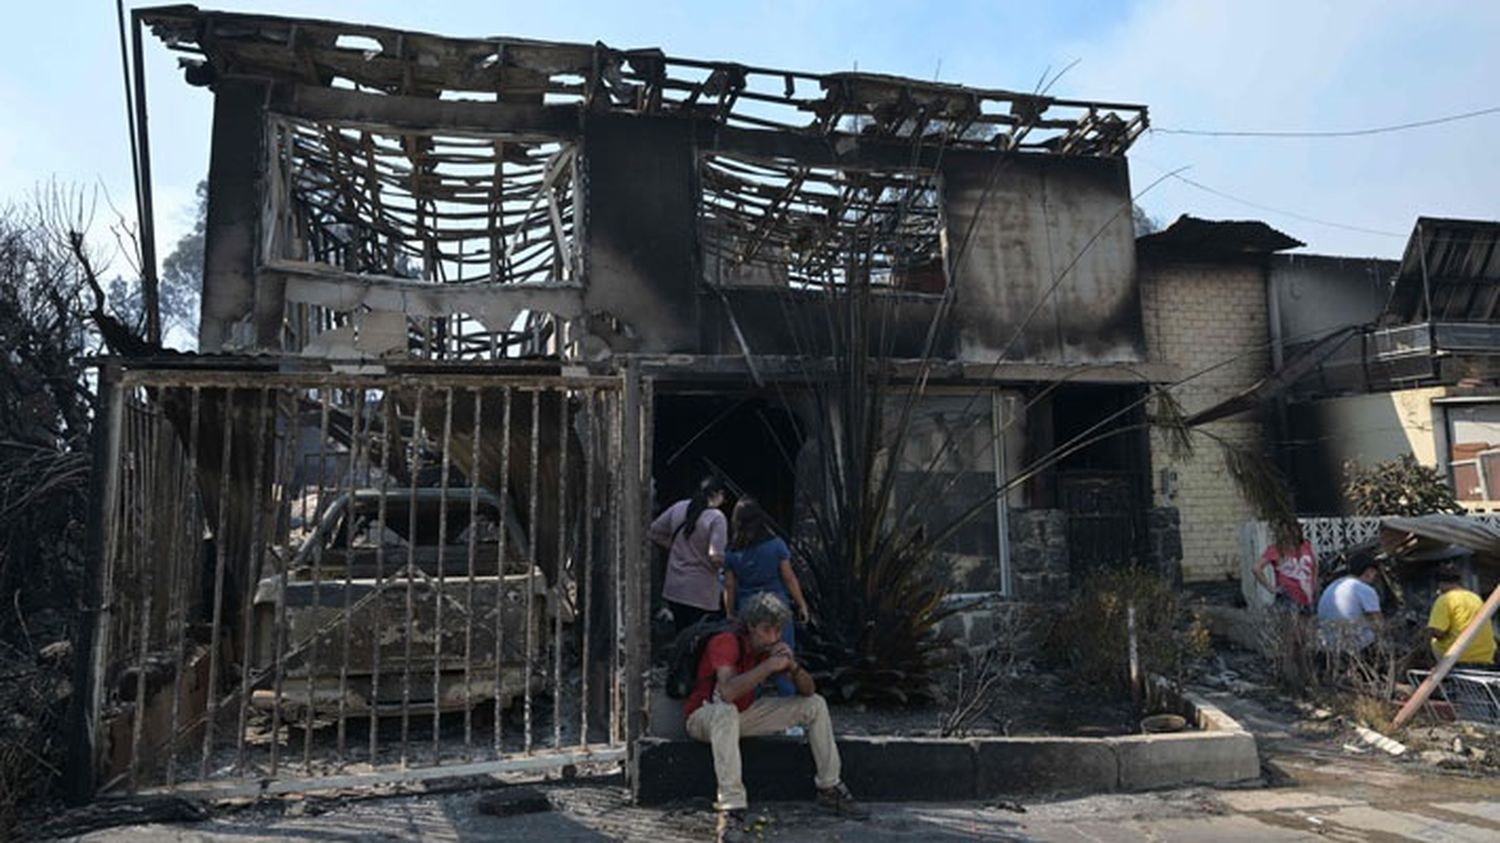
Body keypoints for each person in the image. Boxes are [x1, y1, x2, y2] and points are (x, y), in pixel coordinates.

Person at [683, 592, 865, 825]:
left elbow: (808, 691)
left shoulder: (768, 649)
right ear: (751, 627)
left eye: (778, 631)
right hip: (703, 716)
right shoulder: (725, 642)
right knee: (726, 711)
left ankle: (829, 788)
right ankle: (732, 805)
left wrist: (794, 667)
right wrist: (768, 666)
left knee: (815, 705)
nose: (774, 637)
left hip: (742, 715)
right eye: (767, 630)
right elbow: (727, 692)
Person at [724, 498, 810, 697]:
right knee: (783, 655)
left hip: (748, 610)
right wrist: (801, 604)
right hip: (778, 608)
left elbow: (729, 585)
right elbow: (789, 578)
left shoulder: (732, 551)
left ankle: (752, 705)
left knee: (750, 661)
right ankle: (788, 711)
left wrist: (730, 613)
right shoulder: (776, 545)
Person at [649, 476, 730, 634]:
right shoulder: (717, 517)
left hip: (675, 588)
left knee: (681, 636)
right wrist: (729, 567)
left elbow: (653, 532)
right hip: (701, 593)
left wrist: (674, 547)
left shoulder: (679, 507)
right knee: (700, 639)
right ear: (718, 494)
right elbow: (715, 556)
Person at [1427, 563, 1497, 668]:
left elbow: (1438, 632)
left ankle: (1442, 672)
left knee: (1433, 642)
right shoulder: (1475, 597)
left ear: (1440, 584)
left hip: (1458, 657)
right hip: (1486, 657)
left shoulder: (1445, 599)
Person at [1316, 555, 1383, 651]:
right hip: (1354, 648)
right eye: (1374, 574)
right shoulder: (1365, 589)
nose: (1374, 578)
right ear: (1368, 572)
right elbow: (1379, 624)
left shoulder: (1333, 585)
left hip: (1327, 647)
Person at [1254, 530, 1317, 611]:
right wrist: (1271, 588)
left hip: (1306, 597)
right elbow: (1256, 568)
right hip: (1288, 597)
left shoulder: (1305, 545)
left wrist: (1313, 583)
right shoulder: (1275, 549)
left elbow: (1315, 565)